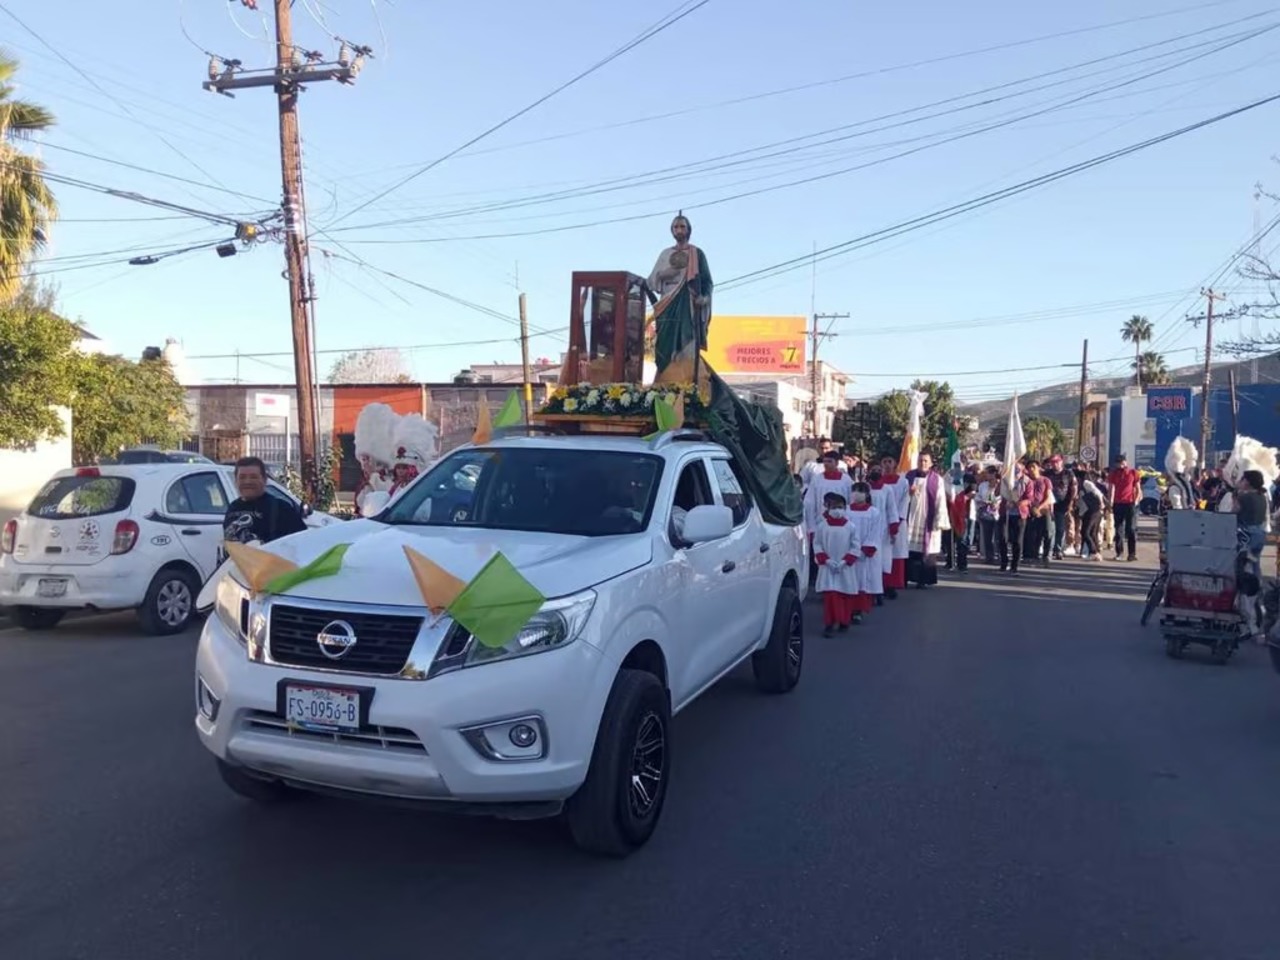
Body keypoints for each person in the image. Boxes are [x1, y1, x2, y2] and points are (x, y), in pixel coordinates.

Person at [647, 212, 713, 374]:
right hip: (667, 304)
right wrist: (664, 274)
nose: (679, 230)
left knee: (688, 344)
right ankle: (664, 378)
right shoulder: (665, 254)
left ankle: (686, 383)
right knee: (664, 344)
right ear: (672, 231)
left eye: (682, 226)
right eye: (676, 227)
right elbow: (650, 282)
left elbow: (707, 281)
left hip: (688, 305)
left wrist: (704, 298)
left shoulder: (697, 254)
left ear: (689, 230)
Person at [223, 456, 307, 546]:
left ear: (264, 480)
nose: (247, 482)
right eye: (242, 477)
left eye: (253, 477)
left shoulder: (281, 509)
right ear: (236, 481)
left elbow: (301, 544)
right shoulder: (233, 508)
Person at [813, 491, 862, 636]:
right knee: (830, 596)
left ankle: (844, 621)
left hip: (844, 567)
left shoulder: (850, 527)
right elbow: (817, 544)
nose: (837, 510)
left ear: (845, 508)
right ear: (828, 508)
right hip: (828, 567)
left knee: (844, 595)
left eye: (840, 507)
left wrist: (844, 561)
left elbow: (855, 546)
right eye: (834, 507)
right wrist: (826, 560)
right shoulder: (822, 526)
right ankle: (829, 623)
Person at [905, 451, 950, 588]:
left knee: (927, 551)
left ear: (930, 463)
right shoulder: (909, 477)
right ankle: (907, 577)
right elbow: (901, 497)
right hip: (911, 518)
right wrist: (908, 492)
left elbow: (941, 500)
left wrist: (939, 520)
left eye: (925, 461)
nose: (922, 463)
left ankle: (923, 580)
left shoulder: (937, 479)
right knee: (909, 549)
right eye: (920, 460)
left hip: (928, 519)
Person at [846, 481, 885, 616]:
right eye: (855, 490)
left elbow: (876, 531)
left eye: (860, 491)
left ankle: (859, 611)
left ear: (867, 494)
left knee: (863, 582)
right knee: (849, 581)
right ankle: (847, 610)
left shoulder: (874, 512)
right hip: (849, 552)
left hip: (864, 554)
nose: (857, 494)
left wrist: (867, 547)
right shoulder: (846, 511)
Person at [865, 465, 899, 606]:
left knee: (882, 561)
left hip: (883, 529)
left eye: (879, 470)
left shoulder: (887, 489)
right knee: (869, 562)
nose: (876, 472)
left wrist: (893, 528)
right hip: (867, 528)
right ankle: (868, 591)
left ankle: (880, 591)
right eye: (874, 470)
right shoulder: (864, 488)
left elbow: (892, 508)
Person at [879, 454, 909, 597]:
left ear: (895, 463)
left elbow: (904, 502)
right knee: (882, 553)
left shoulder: (902, 482)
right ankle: (881, 583)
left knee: (896, 553)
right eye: (884, 461)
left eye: (889, 461)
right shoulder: (878, 483)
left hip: (898, 521)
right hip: (880, 523)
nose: (887, 464)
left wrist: (897, 520)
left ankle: (893, 584)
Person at [1106, 453, 1139, 561]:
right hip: (1118, 503)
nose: (1120, 465)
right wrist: (1110, 503)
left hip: (1130, 503)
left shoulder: (1133, 472)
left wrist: (1136, 500)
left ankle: (1132, 554)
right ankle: (1119, 553)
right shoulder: (1114, 474)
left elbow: (1138, 488)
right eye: (1118, 463)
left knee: (1131, 529)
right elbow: (1111, 489)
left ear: (1125, 462)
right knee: (1119, 529)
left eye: (1121, 462)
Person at [1044, 455, 1076, 559]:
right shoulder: (1047, 474)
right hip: (1048, 504)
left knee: (1060, 528)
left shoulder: (1068, 473)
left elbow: (1074, 488)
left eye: (1056, 462)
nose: (1054, 464)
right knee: (1049, 529)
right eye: (1052, 462)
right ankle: (1048, 549)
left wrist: (1070, 503)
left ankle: (1058, 549)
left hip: (1062, 504)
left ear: (1061, 462)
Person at [1000, 462, 1030, 574]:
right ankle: (1003, 563)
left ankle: (1014, 566)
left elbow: (1029, 499)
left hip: (1019, 515)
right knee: (1003, 539)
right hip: (1006, 514)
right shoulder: (1006, 480)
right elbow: (999, 493)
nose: (1016, 471)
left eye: (1018, 469)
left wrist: (1017, 503)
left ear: (1022, 470)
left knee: (1017, 541)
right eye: (1014, 469)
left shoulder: (1027, 481)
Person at [1023, 460, 1054, 568]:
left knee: (1048, 533)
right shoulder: (1026, 481)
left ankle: (1046, 555)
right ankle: (1032, 555)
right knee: (1032, 534)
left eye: (1033, 467)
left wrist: (1039, 508)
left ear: (1039, 468)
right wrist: (1032, 509)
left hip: (1044, 510)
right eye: (1029, 467)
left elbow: (1048, 497)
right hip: (1030, 511)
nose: (1031, 469)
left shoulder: (1045, 480)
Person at [975, 464, 1002, 565]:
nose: (986, 475)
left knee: (999, 536)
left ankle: (999, 555)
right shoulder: (983, 485)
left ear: (994, 474)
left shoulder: (1000, 485)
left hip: (997, 514)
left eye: (988, 473)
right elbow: (977, 497)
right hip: (986, 513)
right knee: (987, 536)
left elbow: (1002, 497)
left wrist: (997, 504)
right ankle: (989, 556)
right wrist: (983, 501)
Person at [947, 478, 974, 572]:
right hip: (949, 513)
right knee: (949, 540)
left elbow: (973, 492)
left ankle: (962, 564)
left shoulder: (967, 478)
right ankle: (950, 561)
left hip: (962, 515)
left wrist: (964, 498)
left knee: (962, 541)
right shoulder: (947, 479)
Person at [1078, 470, 1106, 561]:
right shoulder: (1080, 485)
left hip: (1094, 509)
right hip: (1089, 510)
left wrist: (1101, 504)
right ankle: (1095, 552)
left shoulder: (1086, 483)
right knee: (1093, 532)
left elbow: (1098, 493)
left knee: (1085, 532)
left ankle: (1094, 551)